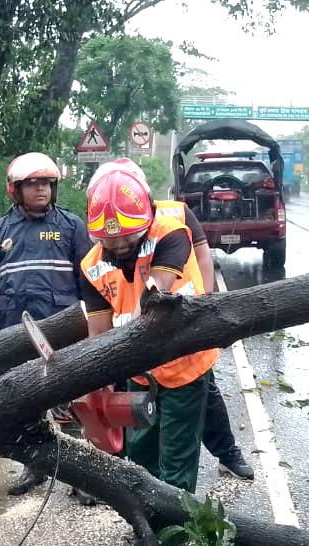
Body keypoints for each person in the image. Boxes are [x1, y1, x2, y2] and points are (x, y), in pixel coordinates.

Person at [100, 158, 256, 481]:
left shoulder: (176, 215)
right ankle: (220, 456)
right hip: (146, 337)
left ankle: (228, 455)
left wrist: (206, 301)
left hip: (186, 328)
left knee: (197, 397)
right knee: (203, 398)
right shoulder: (110, 229)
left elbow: (202, 253)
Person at [0, 152, 95, 497]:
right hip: (15, 335)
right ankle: (35, 466)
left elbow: (90, 280)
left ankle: (81, 478)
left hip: (64, 332)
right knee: (27, 406)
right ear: (15, 189)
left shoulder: (71, 227)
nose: (41, 190)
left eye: (46, 184)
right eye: (33, 183)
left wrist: (95, 326)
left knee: (71, 402)